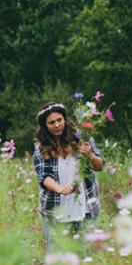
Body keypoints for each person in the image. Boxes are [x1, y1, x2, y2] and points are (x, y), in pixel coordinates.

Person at [33, 102, 105, 251]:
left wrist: (90, 155)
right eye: (51, 122)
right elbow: (44, 177)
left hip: (84, 207)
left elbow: (99, 166)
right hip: (56, 209)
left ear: (65, 119)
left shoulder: (81, 139)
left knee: (85, 253)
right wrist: (60, 188)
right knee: (57, 255)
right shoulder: (40, 149)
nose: (57, 125)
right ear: (45, 126)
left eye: (59, 120)